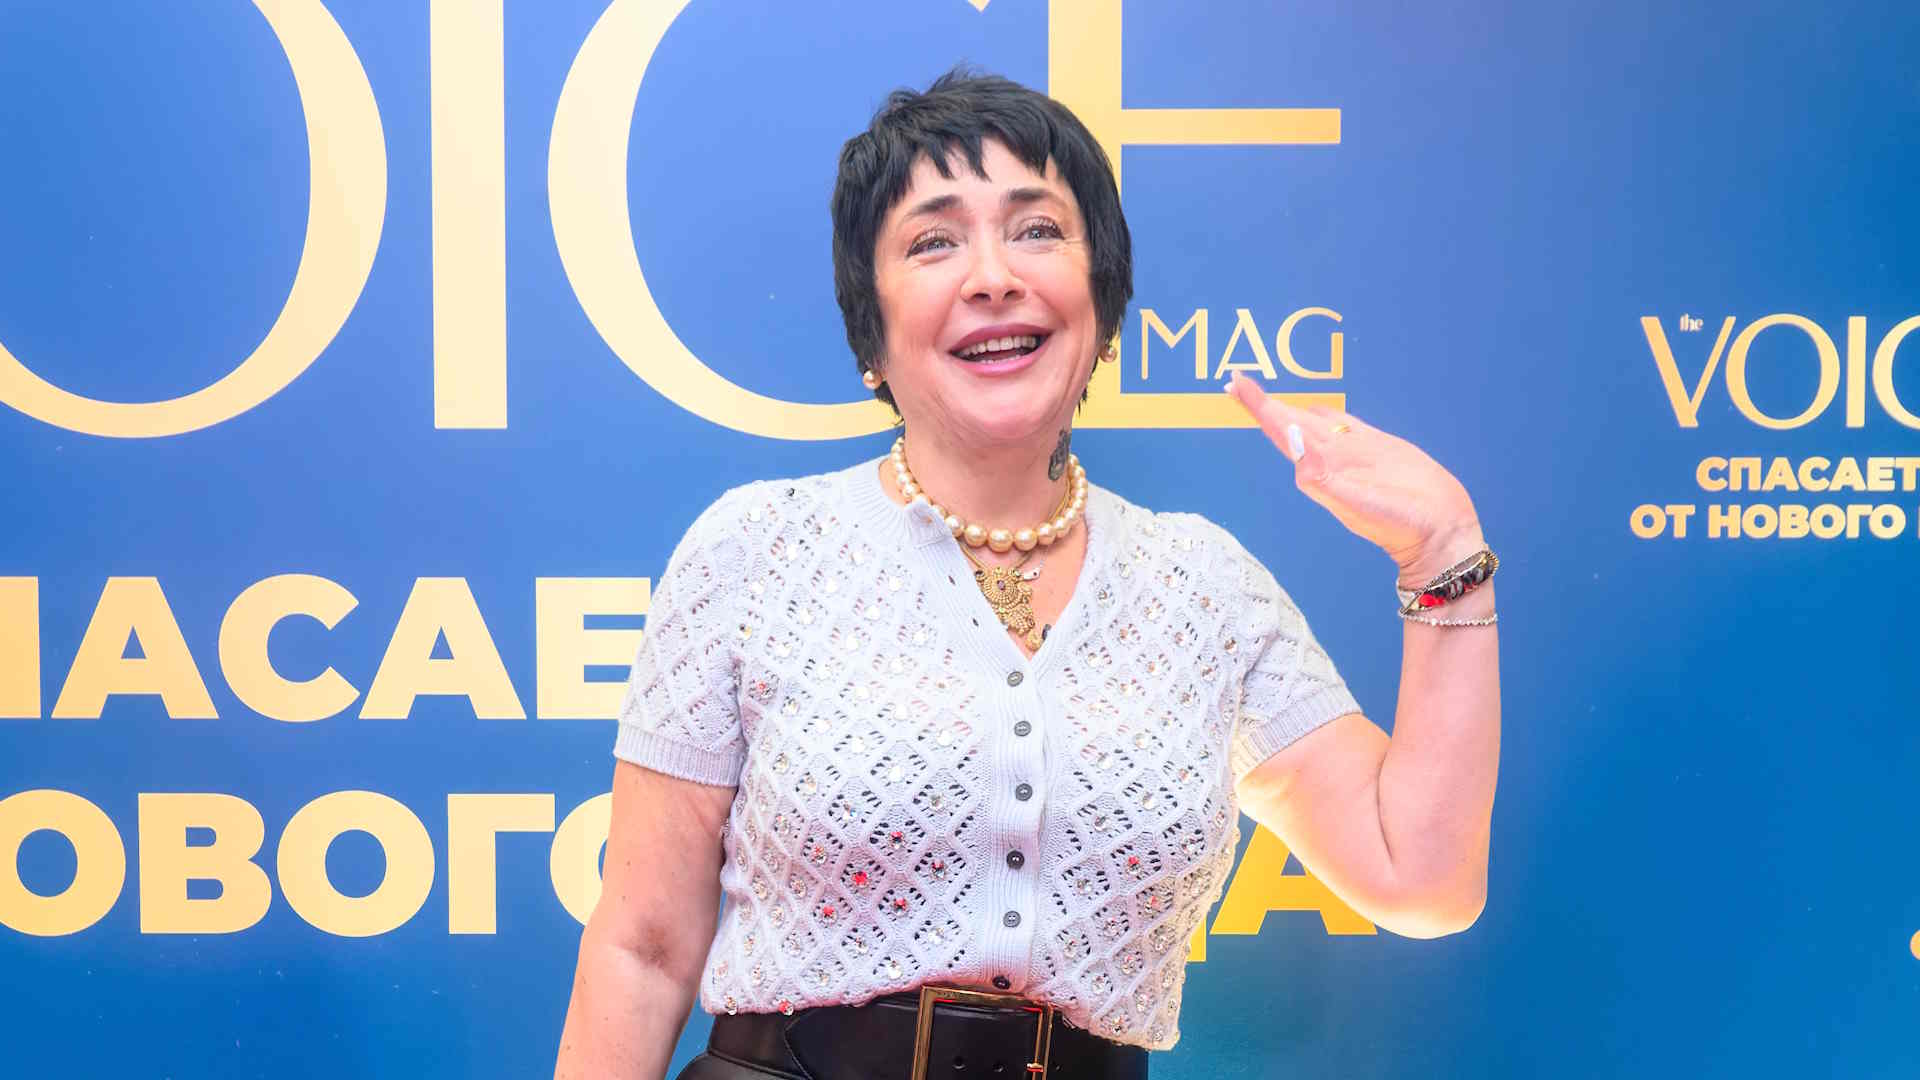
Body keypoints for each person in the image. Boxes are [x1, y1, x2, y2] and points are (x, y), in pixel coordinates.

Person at [555, 68, 1500, 1080]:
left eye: (1037, 230)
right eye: (933, 241)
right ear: (871, 334)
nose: (993, 276)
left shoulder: (1206, 587)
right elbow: (643, 949)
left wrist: (1444, 553)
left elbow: (1421, 878)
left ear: (1103, 304)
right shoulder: (756, 550)